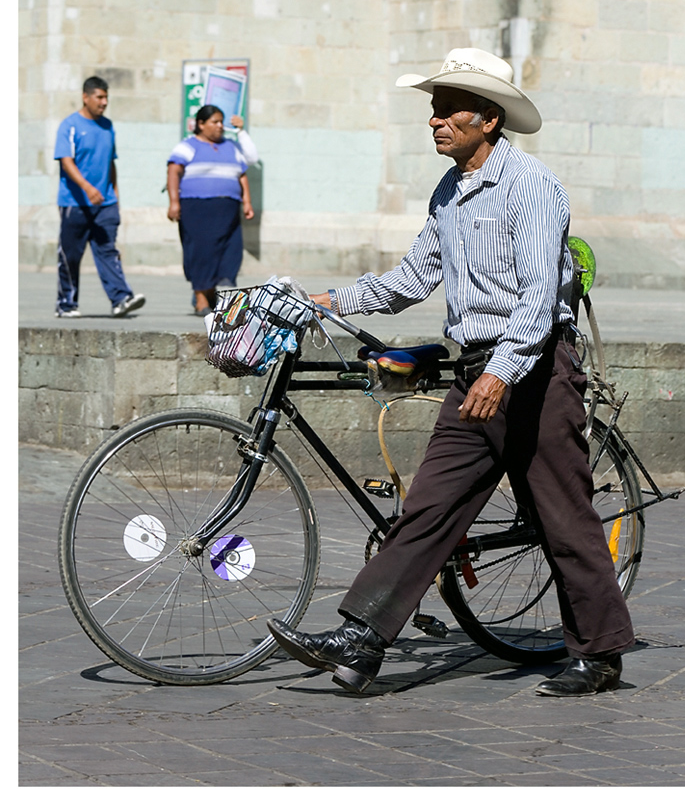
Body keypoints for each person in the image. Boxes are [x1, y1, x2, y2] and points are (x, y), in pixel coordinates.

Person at [268, 48, 635, 698]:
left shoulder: (530, 186)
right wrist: (328, 301)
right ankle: (362, 640)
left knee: (562, 517)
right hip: (474, 374)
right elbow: (409, 279)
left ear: (487, 119)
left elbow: (535, 295)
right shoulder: (449, 193)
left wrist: (501, 371)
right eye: (432, 110)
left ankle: (600, 654)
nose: (434, 121)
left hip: (534, 371)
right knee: (429, 510)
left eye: (445, 110)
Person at [54, 76, 146, 319]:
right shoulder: (69, 126)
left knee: (107, 250)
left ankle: (120, 299)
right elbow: (66, 161)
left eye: (107, 98)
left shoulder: (107, 126)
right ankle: (66, 304)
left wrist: (114, 194)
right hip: (75, 203)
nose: (104, 102)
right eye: (100, 97)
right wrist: (87, 187)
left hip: (105, 203)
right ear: (86, 97)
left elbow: (110, 163)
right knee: (70, 256)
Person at [166, 105, 255, 316]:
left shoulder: (231, 147)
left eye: (220, 122)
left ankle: (209, 293)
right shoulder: (188, 146)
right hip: (196, 208)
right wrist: (174, 202)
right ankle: (200, 299)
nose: (219, 126)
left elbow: (242, 175)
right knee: (200, 252)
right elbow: (173, 171)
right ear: (201, 124)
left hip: (227, 209)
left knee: (225, 252)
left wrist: (247, 201)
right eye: (214, 122)